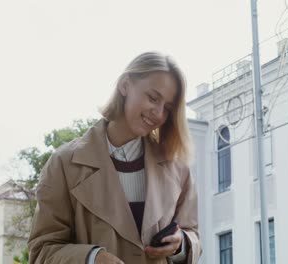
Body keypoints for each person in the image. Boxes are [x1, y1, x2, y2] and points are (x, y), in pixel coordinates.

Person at [28, 52, 202, 264]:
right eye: (153, 98)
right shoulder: (64, 163)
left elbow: (192, 235)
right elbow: (42, 251)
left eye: (167, 108)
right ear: (125, 85)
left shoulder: (178, 168)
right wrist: (92, 258)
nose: (158, 113)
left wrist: (181, 243)